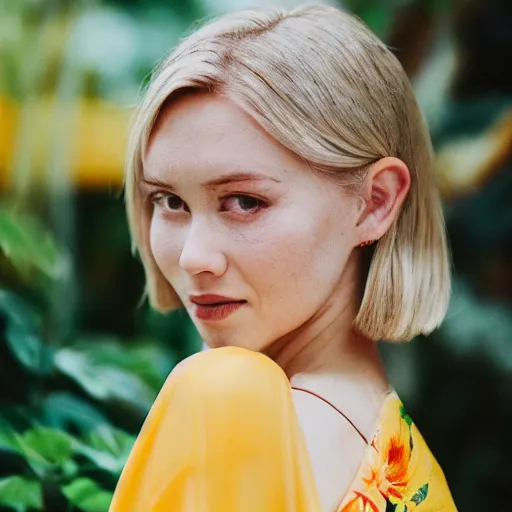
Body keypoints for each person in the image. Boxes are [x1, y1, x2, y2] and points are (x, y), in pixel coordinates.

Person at [109, 4, 457, 511]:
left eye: (245, 202)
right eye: (170, 201)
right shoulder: (393, 450)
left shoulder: (229, 403)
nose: (193, 257)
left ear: (375, 202)